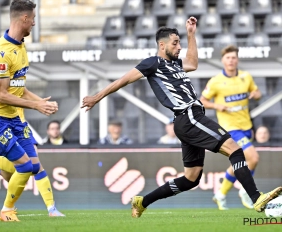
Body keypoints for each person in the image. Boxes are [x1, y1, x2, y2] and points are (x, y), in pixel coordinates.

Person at [81, 17, 282, 218]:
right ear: (162, 45)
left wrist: (191, 34)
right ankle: (256, 198)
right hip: (189, 116)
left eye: (180, 43)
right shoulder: (153, 63)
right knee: (236, 151)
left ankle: (143, 201)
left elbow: (193, 63)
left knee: (191, 178)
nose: (179, 47)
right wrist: (96, 98)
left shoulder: (176, 64)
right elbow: (122, 81)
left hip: (187, 121)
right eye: (175, 43)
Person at [0, 0, 58, 222]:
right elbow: (1, 95)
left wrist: (39, 101)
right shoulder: (1, 54)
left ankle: (49, 209)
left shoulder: (20, 46)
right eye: (33, 19)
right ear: (24, 18)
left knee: (31, 166)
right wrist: (37, 106)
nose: (34, 23)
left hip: (14, 118)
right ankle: (6, 211)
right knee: (23, 167)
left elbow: (17, 87)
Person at [200, 45, 261, 210]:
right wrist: (216, 106)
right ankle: (245, 191)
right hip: (230, 128)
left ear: (237, 60)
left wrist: (256, 94)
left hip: (246, 126)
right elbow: (202, 101)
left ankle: (220, 194)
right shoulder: (216, 82)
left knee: (241, 162)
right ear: (223, 60)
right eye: (228, 58)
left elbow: (257, 92)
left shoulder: (246, 77)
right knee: (253, 158)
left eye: (234, 57)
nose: (231, 60)